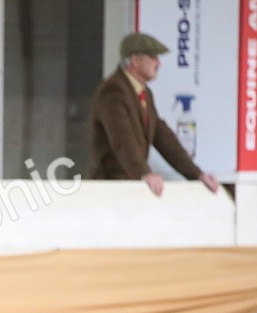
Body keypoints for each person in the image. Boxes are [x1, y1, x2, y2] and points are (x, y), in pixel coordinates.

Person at [88, 32, 219, 197]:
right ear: (135, 60)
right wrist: (144, 173)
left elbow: (162, 136)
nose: (159, 63)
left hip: (131, 186)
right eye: (153, 57)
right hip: (111, 188)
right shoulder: (114, 90)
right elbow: (122, 138)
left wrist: (197, 174)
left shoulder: (144, 93)